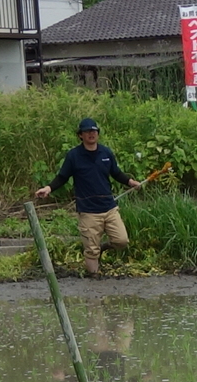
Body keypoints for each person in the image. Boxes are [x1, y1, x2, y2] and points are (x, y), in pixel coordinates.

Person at [34, 117, 152, 275]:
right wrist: (48, 188)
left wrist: (130, 182)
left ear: (98, 133)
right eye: (87, 131)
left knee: (121, 241)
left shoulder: (106, 152)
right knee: (91, 251)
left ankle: (102, 247)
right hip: (88, 210)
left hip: (109, 207)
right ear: (80, 135)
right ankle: (94, 281)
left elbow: (115, 173)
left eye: (94, 131)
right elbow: (62, 177)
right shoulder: (73, 156)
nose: (91, 134)